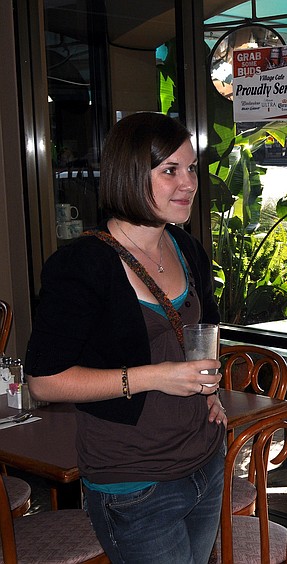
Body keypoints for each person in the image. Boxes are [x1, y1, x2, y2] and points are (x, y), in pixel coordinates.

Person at [25, 112, 227, 564]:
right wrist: (158, 376)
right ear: (132, 176)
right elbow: (44, 381)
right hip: (135, 486)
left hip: (205, 463)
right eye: (170, 171)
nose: (189, 183)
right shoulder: (81, 265)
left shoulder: (185, 246)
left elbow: (203, 330)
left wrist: (211, 388)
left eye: (191, 168)